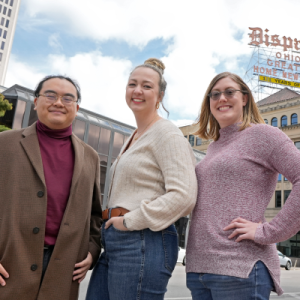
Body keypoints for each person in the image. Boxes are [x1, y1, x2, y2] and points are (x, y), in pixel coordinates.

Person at [86, 58, 197, 300]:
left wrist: (129, 221)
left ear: (160, 95)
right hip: (117, 240)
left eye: (147, 86)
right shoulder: (133, 136)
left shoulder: (167, 133)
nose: (137, 90)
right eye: (132, 84)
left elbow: (184, 195)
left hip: (144, 239)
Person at [186, 72, 300, 300]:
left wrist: (270, 231)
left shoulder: (263, 134)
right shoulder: (213, 147)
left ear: (245, 98)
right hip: (199, 270)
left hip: (240, 270)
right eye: (215, 94)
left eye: (230, 92)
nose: (222, 98)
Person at [0, 75, 102, 300]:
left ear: (77, 108)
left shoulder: (90, 157)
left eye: (67, 98)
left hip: (64, 270)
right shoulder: (4, 144)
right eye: (50, 95)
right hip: (10, 263)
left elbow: (95, 215)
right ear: (36, 102)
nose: (58, 102)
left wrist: (93, 251)